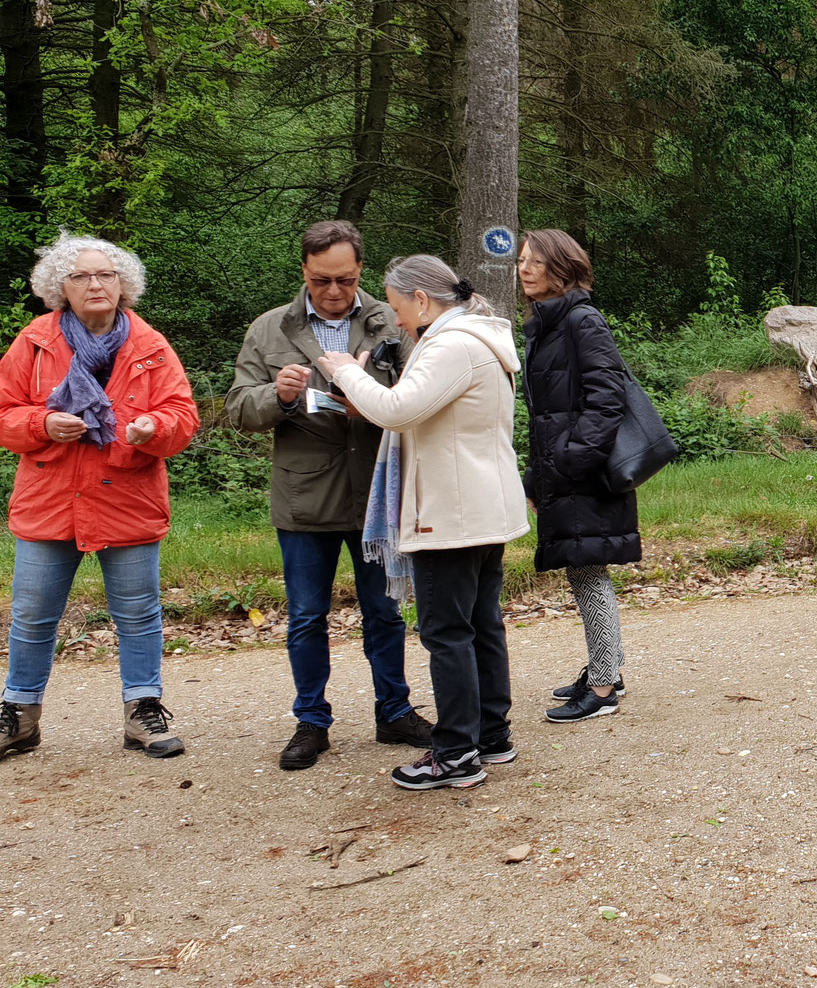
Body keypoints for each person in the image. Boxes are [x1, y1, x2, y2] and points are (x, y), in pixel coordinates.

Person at [226, 220, 431, 771]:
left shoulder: (394, 320)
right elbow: (238, 409)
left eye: (344, 279)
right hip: (305, 498)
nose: (334, 291)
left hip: (377, 492)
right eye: (321, 281)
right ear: (304, 272)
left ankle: (394, 711)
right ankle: (311, 721)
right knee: (306, 617)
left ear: (361, 270)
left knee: (385, 612)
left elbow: (426, 394)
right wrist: (279, 394)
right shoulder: (270, 329)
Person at [318, 256, 526, 790]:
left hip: (450, 512)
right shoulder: (478, 338)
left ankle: (456, 752)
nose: (396, 319)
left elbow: (397, 410)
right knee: (480, 623)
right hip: (480, 505)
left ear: (422, 300)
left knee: (446, 631)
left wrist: (344, 371)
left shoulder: (453, 344)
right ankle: (491, 733)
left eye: (396, 306)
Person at [0, 232, 199, 760]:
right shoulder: (35, 342)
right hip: (50, 500)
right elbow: (4, 415)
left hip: (127, 498)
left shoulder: (151, 346)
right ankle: (19, 715)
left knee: (138, 615)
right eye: (81, 275)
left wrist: (151, 427)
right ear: (59, 286)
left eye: (105, 274)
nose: (95, 284)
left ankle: (143, 712)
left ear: (122, 284)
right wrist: (43, 422)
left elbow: (183, 419)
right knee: (33, 615)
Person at [517, 229, 639, 722]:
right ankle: (605, 667)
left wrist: (567, 464)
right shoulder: (546, 324)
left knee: (589, 573)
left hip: (583, 473)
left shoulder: (581, 320)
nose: (524, 269)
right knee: (582, 567)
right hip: (563, 471)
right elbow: (545, 414)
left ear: (560, 267)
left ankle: (605, 688)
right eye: (521, 261)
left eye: (534, 262)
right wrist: (536, 476)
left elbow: (606, 399)